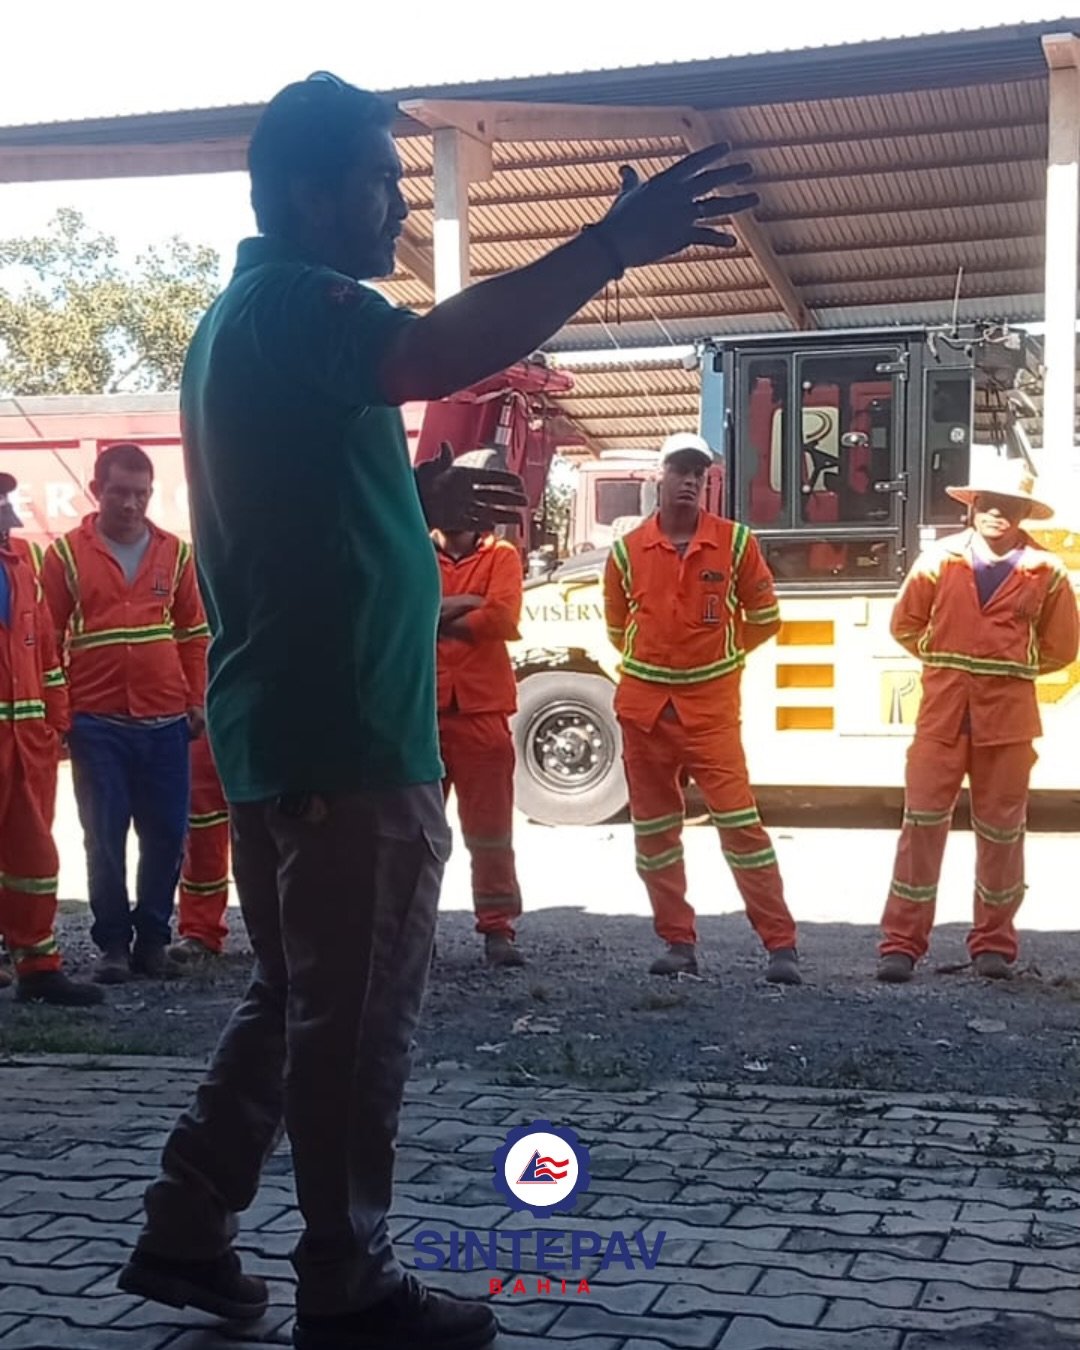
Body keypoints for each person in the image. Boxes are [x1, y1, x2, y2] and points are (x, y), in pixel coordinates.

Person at [116, 72, 757, 1350]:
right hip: (347, 729)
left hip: (286, 724)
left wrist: (412, 500)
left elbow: (296, 504)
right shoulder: (303, 302)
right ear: (313, 194)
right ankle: (347, 1285)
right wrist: (610, 247)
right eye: (379, 181)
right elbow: (432, 350)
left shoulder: (244, 319)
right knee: (352, 1022)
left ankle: (187, 1225)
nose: (398, 206)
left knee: (295, 997)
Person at [604, 433, 801, 984]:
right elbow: (618, 628)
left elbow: (765, 618)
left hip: (710, 713)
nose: (689, 481)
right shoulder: (626, 551)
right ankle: (676, 942)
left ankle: (781, 946)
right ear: (660, 477)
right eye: (680, 470)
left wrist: (720, 655)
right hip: (645, 713)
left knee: (741, 827)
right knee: (655, 835)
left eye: (698, 473)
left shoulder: (735, 544)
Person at [878, 460, 1079, 983]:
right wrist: (951, 661)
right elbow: (904, 625)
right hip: (942, 717)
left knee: (1002, 835)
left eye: (1008, 505)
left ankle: (994, 945)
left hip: (1008, 724)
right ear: (972, 506)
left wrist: (1005, 667)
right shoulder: (937, 561)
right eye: (988, 502)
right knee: (921, 827)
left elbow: (1062, 648)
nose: (996, 512)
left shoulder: (1048, 571)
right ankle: (900, 945)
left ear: (1023, 512)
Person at [42, 443, 210, 984]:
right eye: (120, 492)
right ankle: (113, 945)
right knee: (104, 838)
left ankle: (153, 942)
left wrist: (196, 700)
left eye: (142, 493)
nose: (132, 504)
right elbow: (47, 639)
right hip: (97, 724)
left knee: (166, 835)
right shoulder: (66, 555)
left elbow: (193, 633)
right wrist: (61, 714)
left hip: (166, 723)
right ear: (97, 491)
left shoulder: (175, 553)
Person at [0, 473, 102, 1006]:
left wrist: (56, 722)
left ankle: (37, 966)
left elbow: (45, 654)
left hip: (26, 743)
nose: (6, 509)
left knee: (34, 858)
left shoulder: (22, 565)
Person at [435, 452, 526, 968]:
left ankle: (498, 927)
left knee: (490, 832)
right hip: (424, 712)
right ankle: (413, 930)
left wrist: (438, 615)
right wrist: (470, 603)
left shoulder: (502, 556)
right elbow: (405, 612)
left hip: (482, 711)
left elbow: (503, 619)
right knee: (416, 834)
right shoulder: (415, 551)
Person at [170, 735, 231, 962]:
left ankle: (285, 930)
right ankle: (200, 930)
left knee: (277, 820)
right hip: (204, 729)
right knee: (202, 827)